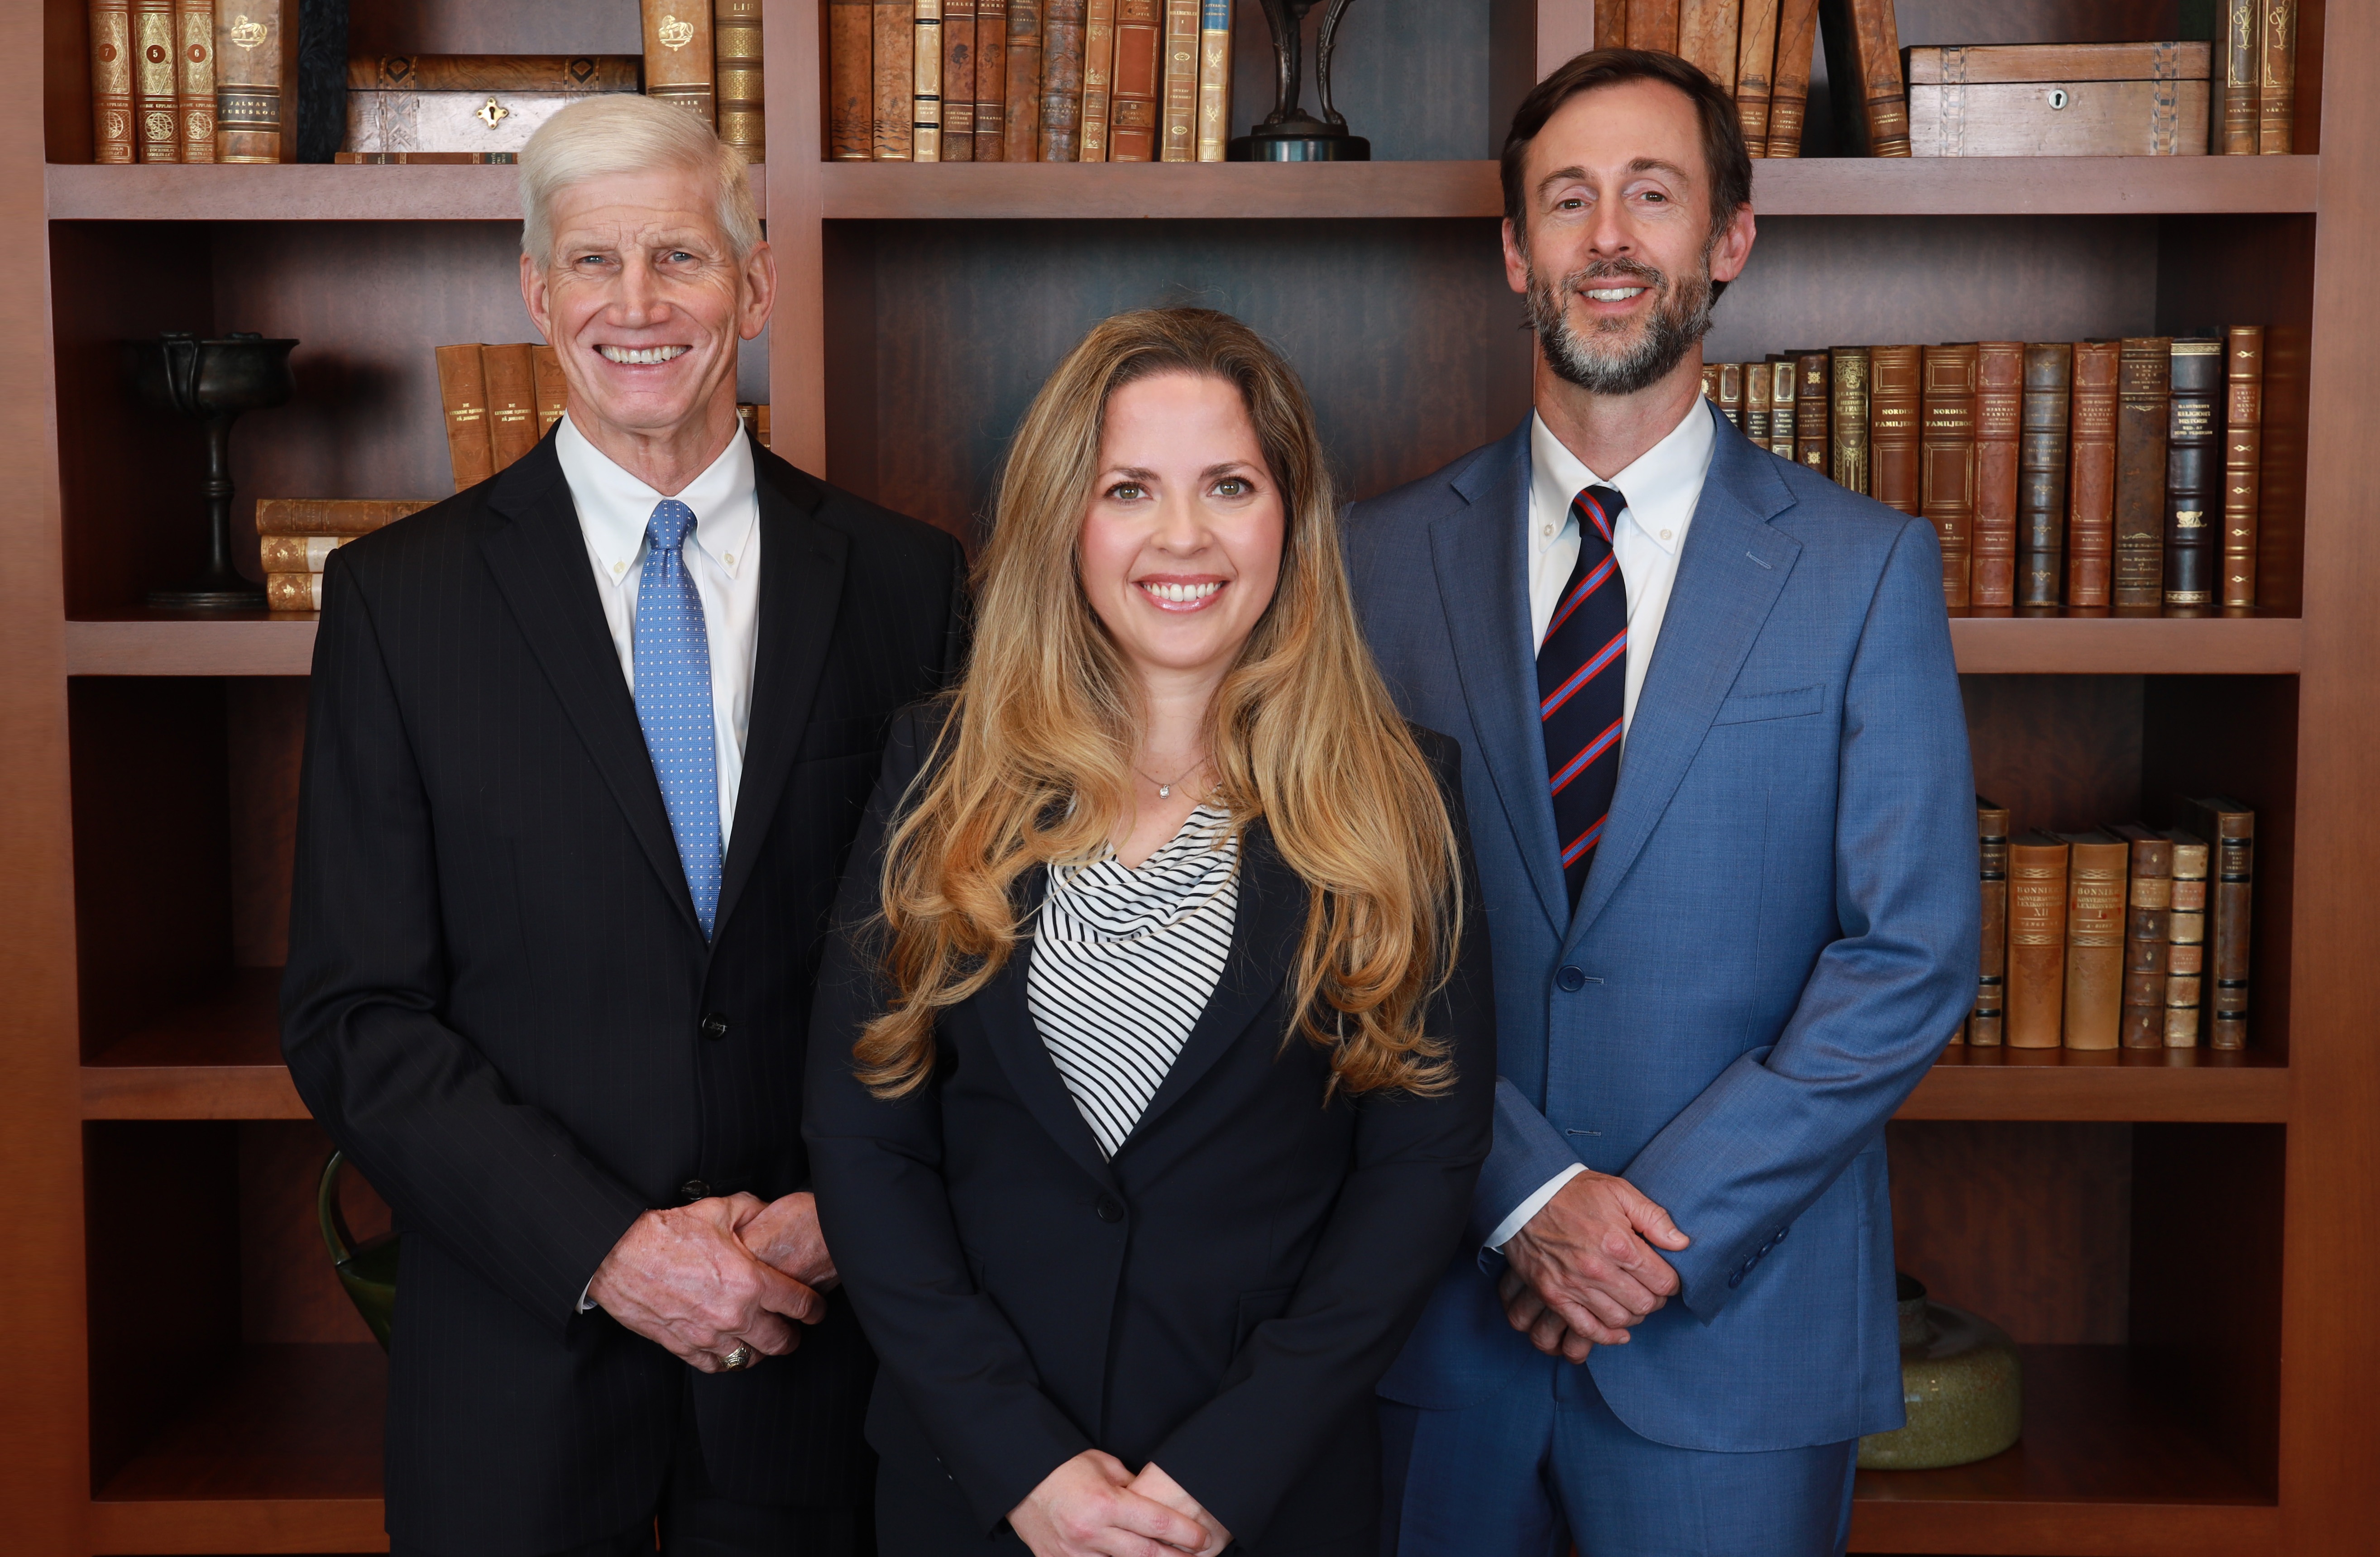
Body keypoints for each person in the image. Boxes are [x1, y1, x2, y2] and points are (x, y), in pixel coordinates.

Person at [281, 94, 965, 1557]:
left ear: (756, 284)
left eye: (681, 256)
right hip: (519, 1367)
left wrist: (839, 1215)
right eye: (592, 263)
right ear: (537, 293)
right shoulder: (402, 606)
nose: (637, 304)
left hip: (826, 1355)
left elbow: (966, 961)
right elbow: (356, 1015)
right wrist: (608, 1251)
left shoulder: (911, 586)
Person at [1346, 50, 1979, 1557]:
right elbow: (1330, 921)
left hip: (1734, 1332)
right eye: (1567, 201)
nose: (1609, 238)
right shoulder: (1367, 563)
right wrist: (1525, 1193)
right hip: (1431, 1321)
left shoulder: (1861, 565)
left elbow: (1910, 956)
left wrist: (1647, 1227)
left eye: (1653, 195)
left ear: (1728, 239)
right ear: (1515, 252)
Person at [804, 307, 1495, 1556]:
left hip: (1260, 1502)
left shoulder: (1400, 797)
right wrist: (1025, 1465)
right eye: (1130, 489)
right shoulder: (939, 773)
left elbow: (1417, 1175)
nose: (1184, 538)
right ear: (1068, 518)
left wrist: (1220, 1474)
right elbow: (865, 1144)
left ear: (1289, 515)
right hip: (975, 1493)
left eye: (1228, 486)